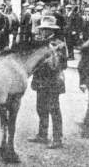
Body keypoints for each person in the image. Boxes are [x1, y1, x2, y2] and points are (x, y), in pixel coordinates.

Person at [28, 16, 67, 149]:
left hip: (52, 81)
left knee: (54, 109)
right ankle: (42, 134)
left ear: (52, 30)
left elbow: (61, 64)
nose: (42, 32)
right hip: (40, 81)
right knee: (41, 108)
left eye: (46, 29)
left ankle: (57, 139)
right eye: (42, 29)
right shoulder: (40, 43)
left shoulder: (59, 44)